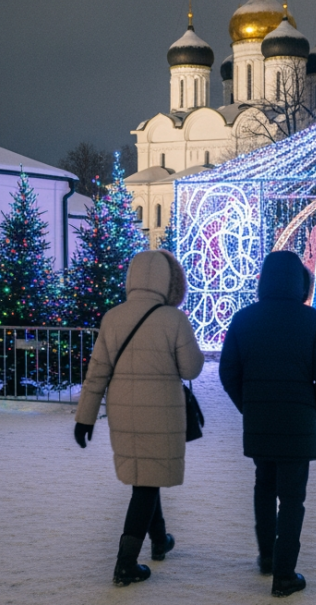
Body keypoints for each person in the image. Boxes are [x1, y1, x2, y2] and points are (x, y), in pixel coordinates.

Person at [73, 250, 204, 586]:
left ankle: (160, 541)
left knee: (145, 475)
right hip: (161, 413)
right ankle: (125, 563)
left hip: (121, 411)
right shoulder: (173, 319)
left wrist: (84, 418)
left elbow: (97, 372)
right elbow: (192, 368)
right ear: (168, 280)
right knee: (147, 482)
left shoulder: (113, 317)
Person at [219, 251, 316, 597]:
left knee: (263, 485)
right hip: (299, 421)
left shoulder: (244, 319)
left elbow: (228, 371)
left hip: (260, 418)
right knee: (292, 497)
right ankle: (284, 573)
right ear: (302, 282)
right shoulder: (314, 321)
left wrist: (248, 405)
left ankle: (268, 557)